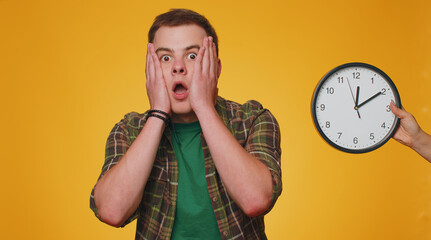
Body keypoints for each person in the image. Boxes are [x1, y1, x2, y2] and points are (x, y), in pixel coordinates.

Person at [89, 9, 282, 240]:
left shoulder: (253, 119)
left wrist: (204, 107)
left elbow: (255, 200)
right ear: (150, 70)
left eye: (192, 56)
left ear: (216, 68)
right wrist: (158, 113)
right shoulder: (128, 130)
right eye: (165, 57)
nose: (178, 68)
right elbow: (111, 211)